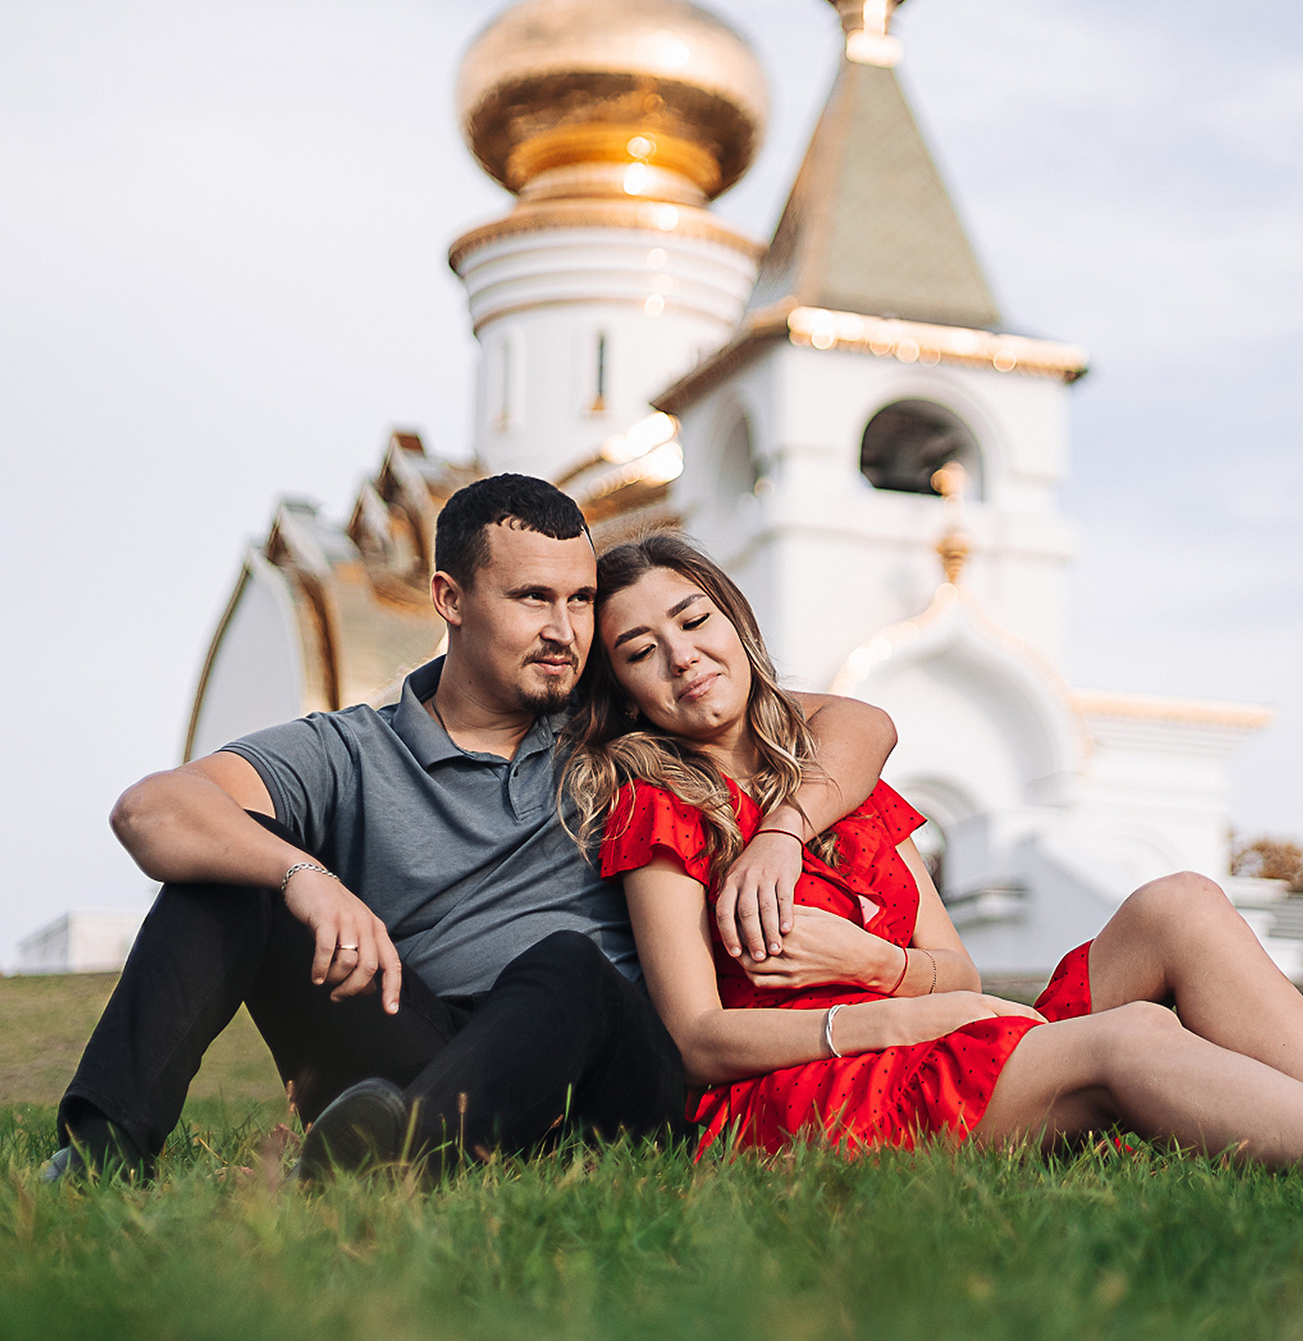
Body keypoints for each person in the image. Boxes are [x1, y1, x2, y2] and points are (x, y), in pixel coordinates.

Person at [564, 532, 1303, 1184]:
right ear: (623, 687)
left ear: (739, 624)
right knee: (1132, 1035)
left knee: (1181, 899)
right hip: (815, 1094)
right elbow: (701, 1041)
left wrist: (871, 955)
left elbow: (955, 975)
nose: (682, 657)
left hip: (951, 1032)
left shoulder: (837, 784)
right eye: (640, 650)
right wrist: (885, 1014)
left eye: (695, 619)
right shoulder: (656, 806)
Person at [44, 475, 897, 1181]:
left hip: (603, 1084)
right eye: (533, 598)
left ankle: (395, 1165)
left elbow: (860, 722)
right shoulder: (352, 751)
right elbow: (152, 810)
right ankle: (103, 1153)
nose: (565, 631)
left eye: (579, 601)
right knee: (227, 871)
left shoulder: (616, 728)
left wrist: (783, 831)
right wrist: (307, 878)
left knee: (569, 963)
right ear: (449, 598)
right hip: (415, 1051)